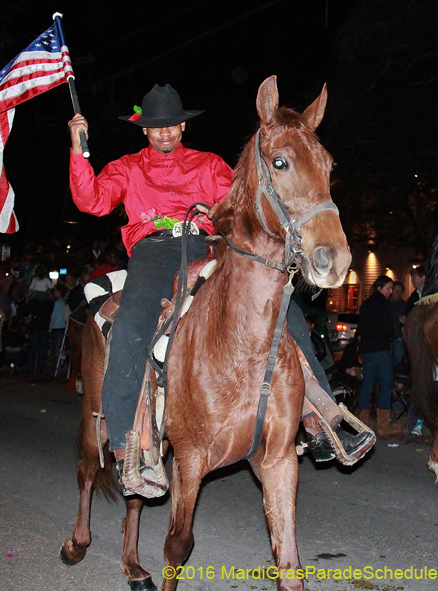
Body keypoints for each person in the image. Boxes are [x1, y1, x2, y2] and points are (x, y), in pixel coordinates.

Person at [67, 83, 372, 479]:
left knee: (281, 305)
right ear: (144, 129)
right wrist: (78, 150)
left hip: (207, 247)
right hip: (154, 254)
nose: (165, 132)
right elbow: (91, 200)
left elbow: (243, 201)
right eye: (157, 126)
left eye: (172, 125)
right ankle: (129, 443)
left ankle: (322, 420)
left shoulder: (208, 164)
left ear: (182, 128)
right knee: (129, 326)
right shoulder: (127, 168)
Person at [357, 275, 402, 436]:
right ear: (380, 288)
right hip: (381, 349)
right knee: (386, 384)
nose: (391, 291)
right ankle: (383, 425)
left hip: (367, 349)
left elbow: (360, 328)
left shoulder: (366, 305)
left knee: (367, 384)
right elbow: (388, 328)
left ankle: (362, 422)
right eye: (389, 288)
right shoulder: (384, 305)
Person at [389, 280, 406, 365]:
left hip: (398, 337)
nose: (398, 294)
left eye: (400, 292)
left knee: (398, 357)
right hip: (386, 337)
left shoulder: (403, 305)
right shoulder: (385, 304)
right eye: (397, 291)